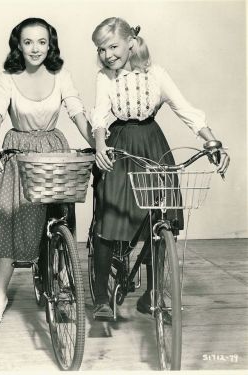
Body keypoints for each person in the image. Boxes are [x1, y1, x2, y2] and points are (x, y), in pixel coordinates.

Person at [89, 17, 230, 319]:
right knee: (109, 220)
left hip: (153, 145)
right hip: (120, 146)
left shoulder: (156, 74)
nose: (108, 54)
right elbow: (100, 115)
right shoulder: (104, 77)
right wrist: (100, 146)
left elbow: (184, 108)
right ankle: (100, 297)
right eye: (101, 49)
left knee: (159, 218)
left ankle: (152, 295)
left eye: (113, 46)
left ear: (130, 41)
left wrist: (211, 141)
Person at [0, 17, 94, 326]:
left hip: (53, 149)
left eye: (42, 42)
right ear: (18, 44)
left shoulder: (61, 75)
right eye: (29, 42)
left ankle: (57, 284)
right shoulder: (7, 76)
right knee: (10, 217)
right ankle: (1, 295)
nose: (35, 48)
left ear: (50, 44)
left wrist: (98, 144)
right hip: (19, 151)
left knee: (57, 218)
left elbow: (77, 113)